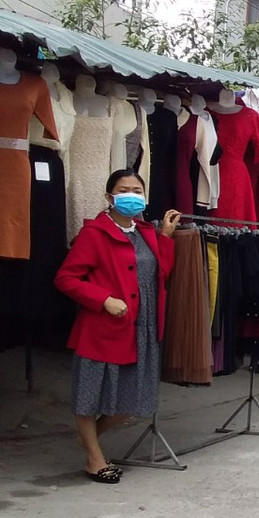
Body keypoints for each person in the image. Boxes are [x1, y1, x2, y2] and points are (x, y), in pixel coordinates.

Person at [55, 169, 181, 483]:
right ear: (110, 197)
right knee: (89, 396)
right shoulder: (94, 233)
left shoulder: (145, 231)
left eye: (137, 190)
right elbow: (66, 279)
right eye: (124, 189)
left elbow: (159, 274)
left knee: (132, 400)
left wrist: (165, 237)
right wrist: (103, 299)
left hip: (142, 327)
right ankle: (95, 459)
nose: (132, 195)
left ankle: (89, 438)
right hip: (103, 326)